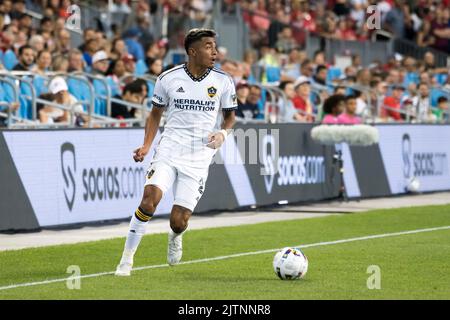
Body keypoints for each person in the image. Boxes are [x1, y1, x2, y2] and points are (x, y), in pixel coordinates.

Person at [115, 28, 237, 276]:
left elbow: (230, 118)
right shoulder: (168, 78)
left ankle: (175, 235)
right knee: (149, 201)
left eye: (215, 46)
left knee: (178, 220)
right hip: (169, 149)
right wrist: (147, 145)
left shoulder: (223, 81)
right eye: (208, 46)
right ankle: (126, 260)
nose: (214, 51)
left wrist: (223, 134)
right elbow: (155, 114)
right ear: (193, 51)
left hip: (199, 156)